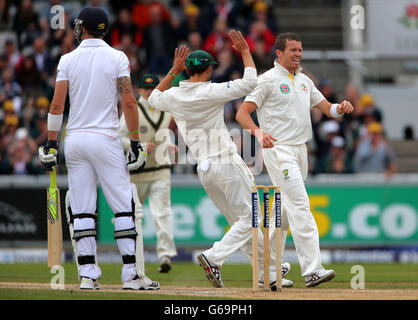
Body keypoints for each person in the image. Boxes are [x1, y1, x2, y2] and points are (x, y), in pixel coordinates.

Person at [148, 30, 293, 289]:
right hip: (225, 162)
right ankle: (214, 257)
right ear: (207, 71)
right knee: (251, 219)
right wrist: (246, 52)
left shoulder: (174, 96)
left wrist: (172, 71)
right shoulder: (211, 91)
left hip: (204, 168)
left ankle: (267, 272)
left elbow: (153, 97)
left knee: (242, 221)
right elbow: (250, 82)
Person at [38, 7, 159, 291]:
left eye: (78, 25)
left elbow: (57, 106)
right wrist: (136, 143)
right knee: (122, 206)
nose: (75, 29)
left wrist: (51, 143)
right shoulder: (118, 57)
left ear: (85, 27)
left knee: (82, 210)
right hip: (105, 138)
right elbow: (128, 101)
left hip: (76, 140)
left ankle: (88, 275)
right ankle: (130, 274)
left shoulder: (67, 59)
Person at [236, 32, 354, 287]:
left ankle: (265, 269)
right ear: (278, 53)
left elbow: (327, 108)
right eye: (293, 50)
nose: (298, 54)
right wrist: (258, 132)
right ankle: (312, 270)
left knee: (287, 213)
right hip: (279, 149)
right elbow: (242, 114)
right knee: (301, 205)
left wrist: (340, 107)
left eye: (300, 50)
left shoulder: (304, 81)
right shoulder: (266, 80)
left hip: (301, 150)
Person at [119, 73, 177, 273]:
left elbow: (162, 134)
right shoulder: (133, 107)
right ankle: (131, 254)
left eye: (153, 88)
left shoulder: (165, 107)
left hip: (161, 168)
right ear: (140, 90)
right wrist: (141, 145)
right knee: (133, 214)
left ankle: (165, 256)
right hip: (137, 170)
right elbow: (120, 138)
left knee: (163, 212)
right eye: (146, 89)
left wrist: (169, 144)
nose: (150, 92)